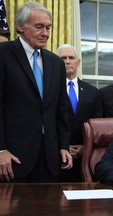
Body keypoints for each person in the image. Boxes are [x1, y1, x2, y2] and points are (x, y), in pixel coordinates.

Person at [0, 2, 72, 183]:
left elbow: (61, 108)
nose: (46, 33)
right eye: (39, 27)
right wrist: (0, 149)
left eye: (48, 27)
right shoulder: (3, 54)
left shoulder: (56, 63)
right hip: (12, 158)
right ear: (20, 26)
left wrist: (63, 146)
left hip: (49, 159)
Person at [57, 44, 103, 182]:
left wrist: (85, 147)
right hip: (57, 157)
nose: (67, 61)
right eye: (63, 58)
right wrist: (62, 147)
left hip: (85, 159)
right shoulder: (50, 90)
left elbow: (98, 124)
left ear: (78, 62)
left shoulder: (92, 92)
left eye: (71, 58)